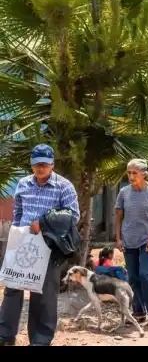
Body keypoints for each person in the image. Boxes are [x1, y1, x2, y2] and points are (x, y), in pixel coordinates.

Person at [0, 145, 80, 346]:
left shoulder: (64, 186)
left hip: (50, 247)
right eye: (37, 165)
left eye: (44, 164)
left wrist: (43, 223)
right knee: (12, 288)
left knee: (43, 294)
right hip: (22, 244)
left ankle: (40, 340)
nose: (40, 168)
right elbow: (18, 211)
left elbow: (73, 216)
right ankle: (5, 336)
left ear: (52, 164)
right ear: (32, 165)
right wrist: (16, 234)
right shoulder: (23, 184)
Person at [114, 159, 148, 325]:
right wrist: (118, 238)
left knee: (145, 273)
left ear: (144, 174)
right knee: (134, 277)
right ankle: (138, 311)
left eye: (134, 173)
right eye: (129, 173)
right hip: (129, 240)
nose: (131, 176)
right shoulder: (124, 192)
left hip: (147, 239)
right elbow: (118, 216)